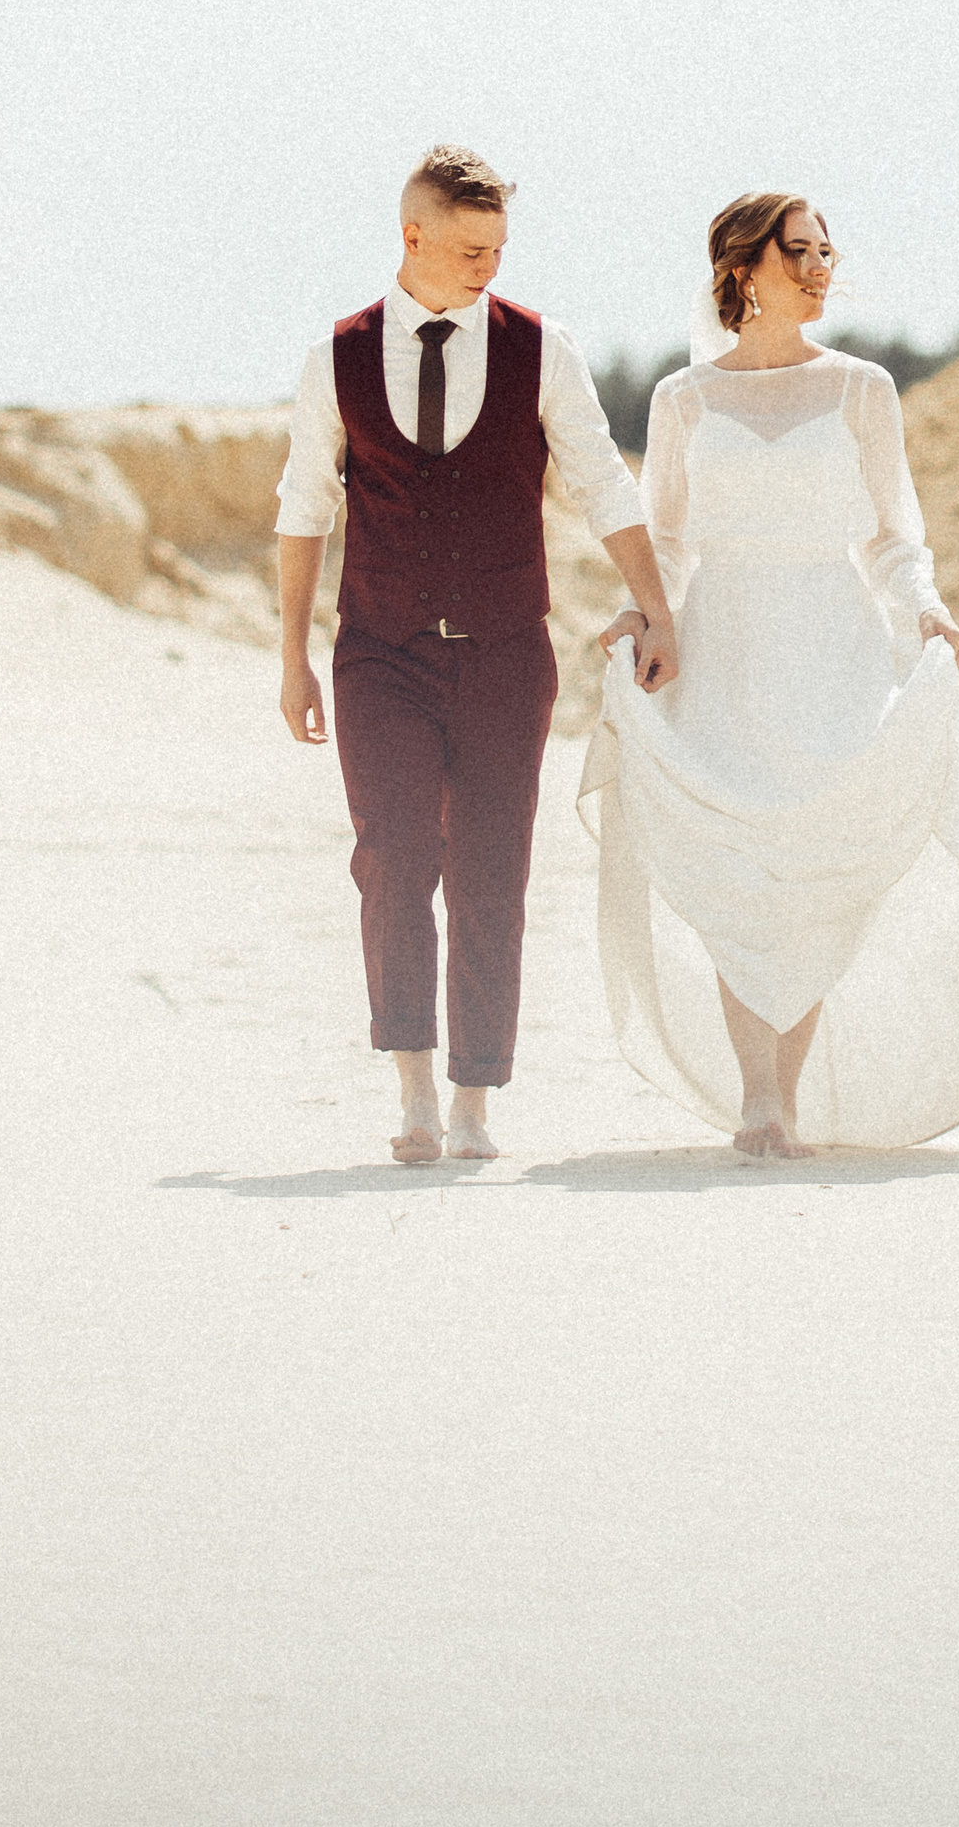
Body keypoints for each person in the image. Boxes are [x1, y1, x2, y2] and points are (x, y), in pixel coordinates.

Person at [581, 192, 959, 1155]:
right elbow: (668, 543)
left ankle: (778, 1094)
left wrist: (926, 605)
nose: (821, 268)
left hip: (834, 645)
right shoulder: (683, 398)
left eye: (828, 251)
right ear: (743, 267)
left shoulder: (862, 389)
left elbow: (892, 536)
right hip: (724, 647)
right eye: (799, 252)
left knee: (814, 866)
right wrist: (642, 612)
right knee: (738, 870)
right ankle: (762, 1100)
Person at [277, 145, 678, 1163]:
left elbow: (601, 480)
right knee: (394, 857)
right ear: (411, 237)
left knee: (492, 876)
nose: (487, 267)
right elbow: (304, 508)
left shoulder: (541, 349)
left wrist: (656, 607)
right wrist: (292, 657)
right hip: (380, 655)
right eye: (468, 250)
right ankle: (413, 1089)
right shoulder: (336, 358)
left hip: (505, 655)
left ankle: (473, 1101)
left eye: (498, 249)